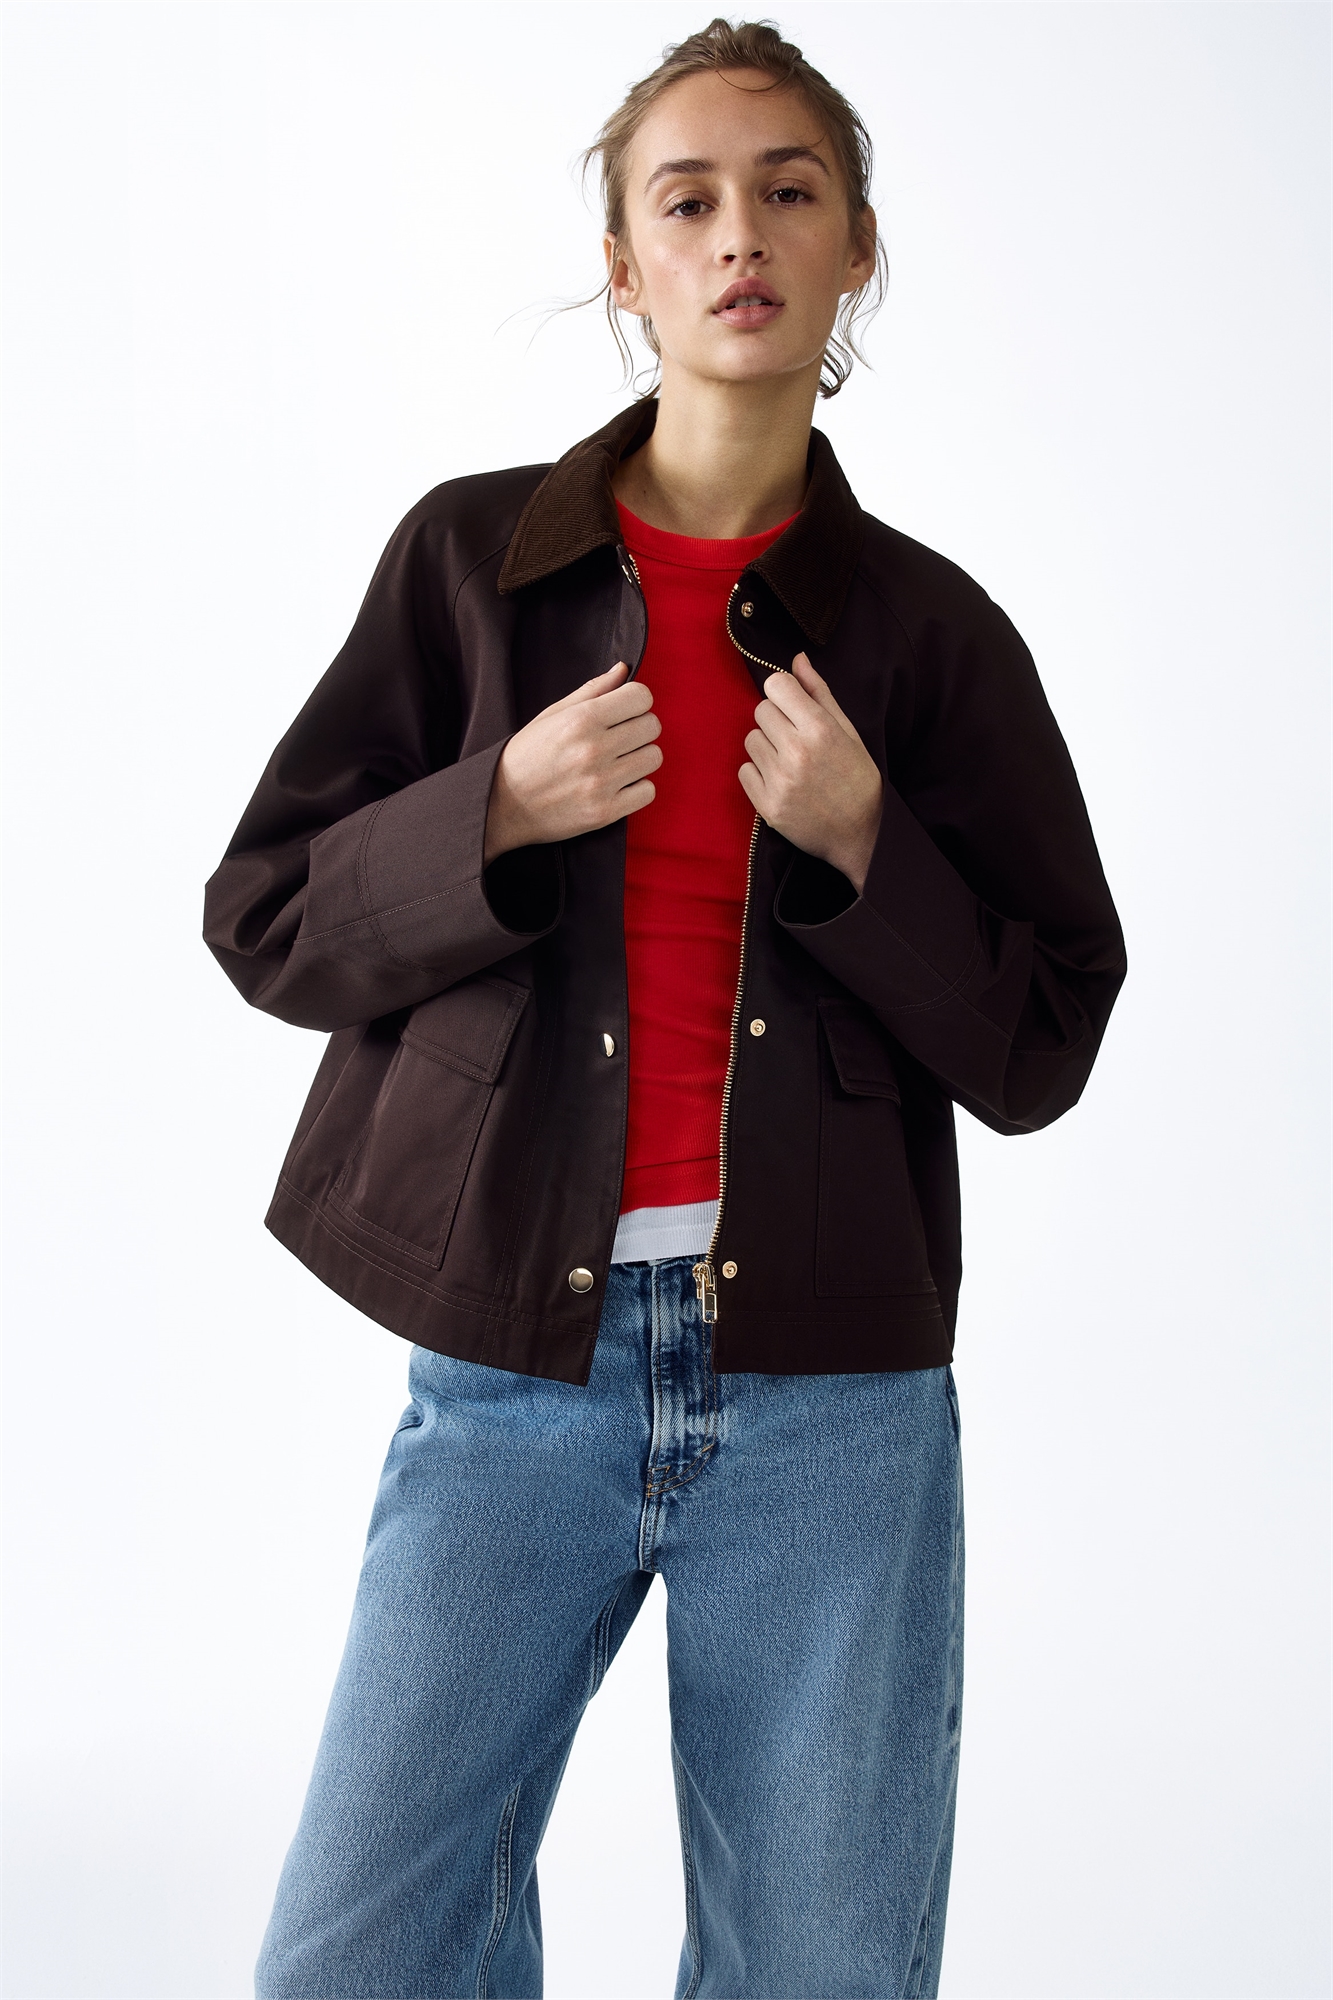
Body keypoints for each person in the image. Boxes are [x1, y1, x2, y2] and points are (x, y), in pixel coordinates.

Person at [203, 18, 1126, 1998]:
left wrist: (868, 848)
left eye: (789, 190)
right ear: (623, 263)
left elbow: (1044, 1038)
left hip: (832, 1406)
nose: (739, 236)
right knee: (352, 1957)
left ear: (856, 245)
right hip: (509, 1377)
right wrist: (492, 809)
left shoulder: (932, 637)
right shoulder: (470, 566)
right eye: (685, 200)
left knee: (820, 1968)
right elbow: (266, 917)